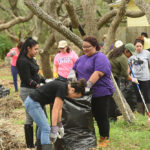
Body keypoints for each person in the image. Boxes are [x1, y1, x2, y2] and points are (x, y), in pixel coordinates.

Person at [72, 36, 115, 148]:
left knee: (100, 116)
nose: (85, 49)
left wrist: (88, 86)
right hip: (85, 94)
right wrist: (70, 78)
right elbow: (74, 70)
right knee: (86, 117)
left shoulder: (100, 57)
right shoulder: (81, 58)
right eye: (83, 47)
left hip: (100, 92)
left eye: (88, 47)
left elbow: (98, 73)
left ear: (95, 46)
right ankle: (89, 139)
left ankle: (104, 138)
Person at [24, 78, 87, 150]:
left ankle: (39, 147)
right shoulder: (63, 88)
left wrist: (59, 124)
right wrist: (54, 128)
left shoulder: (64, 87)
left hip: (35, 102)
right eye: (75, 96)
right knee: (46, 128)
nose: (73, 98)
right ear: (73, 90)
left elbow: (59, 108)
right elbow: (55, 110)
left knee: (42, 126)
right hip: (33, 103)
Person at [16, 37, 46, 149]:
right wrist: (39, 86)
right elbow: (27, 79)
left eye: (38, 49)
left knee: (35, 116)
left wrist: (45, 80)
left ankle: (36, 143)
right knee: (36, 116)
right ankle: (32, 144)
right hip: (27, 91)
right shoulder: (22, 61)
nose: (37, 51)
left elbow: (36, 75)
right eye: (35, 49)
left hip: (35, 90)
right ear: (28, 48)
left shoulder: (32, 59)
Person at [108, 44, 138, 121]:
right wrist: (134, 80)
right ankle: (112, 118)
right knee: (115, 98)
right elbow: (126, 75)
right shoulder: (123, 58)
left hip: (108, 77)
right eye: (130, 54)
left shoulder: (114, 53)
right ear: (126, 51)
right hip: (113, 78)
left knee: (110, 97)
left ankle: (110, 116)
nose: (130, 56)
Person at [129, 38, 150, 115]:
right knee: (138, 96)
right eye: (137, 46)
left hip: (145, 78)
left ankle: (149, 112)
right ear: (134, 47)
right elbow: (129, 66)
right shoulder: (131, 54)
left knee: (147, 96)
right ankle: (141, 113)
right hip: (135, 78)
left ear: (143, 46)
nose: (139, 48)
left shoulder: (147, 53)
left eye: (140, 46)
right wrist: (127, 75)